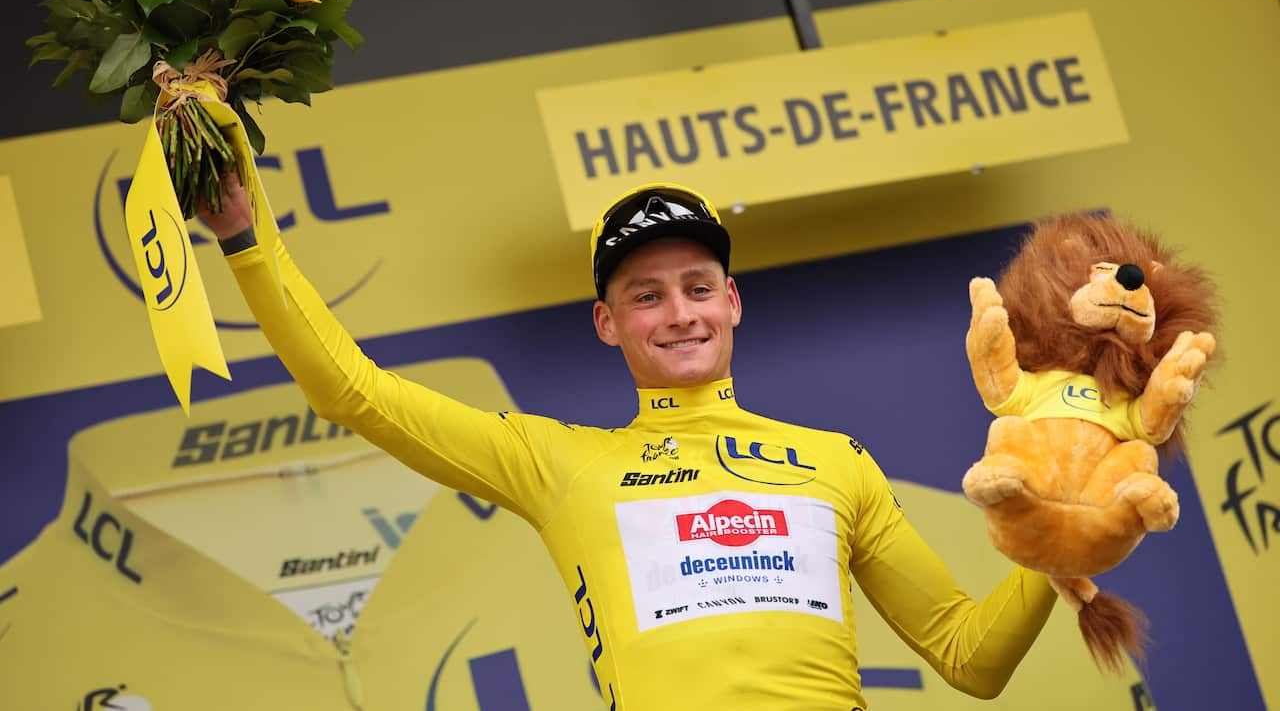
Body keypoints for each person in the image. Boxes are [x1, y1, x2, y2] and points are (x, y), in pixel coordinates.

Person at [200, 177, 1056, 711]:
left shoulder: (836, 461)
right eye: (646, 296)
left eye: (696, 287)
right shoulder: (560, 462)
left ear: (732, 301)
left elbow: (968, 656)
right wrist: (244, 238)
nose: (679, 312)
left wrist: (1062, 546)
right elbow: (352, 389)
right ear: (607, 324)